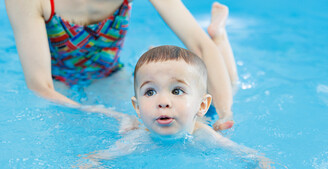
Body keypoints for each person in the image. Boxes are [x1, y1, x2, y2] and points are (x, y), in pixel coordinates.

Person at [38, 46, 292, 169]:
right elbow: (93, 161)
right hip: (192, 105)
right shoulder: (137, 139)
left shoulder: (206, 136)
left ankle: (219, 36)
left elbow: (255, 159)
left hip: (211, 116)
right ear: (137, 108)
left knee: (231, 85)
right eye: (149, 93)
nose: (162, 102)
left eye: (176, 91)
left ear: (200, 105)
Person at [5, 0, 238, 130]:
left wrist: (224, 115)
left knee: (201, 116)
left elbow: (199, 45)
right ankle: (219, 36)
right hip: (57, 88)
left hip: (111, 75)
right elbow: (39, 85)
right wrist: (108, 114)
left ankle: (219, 36)